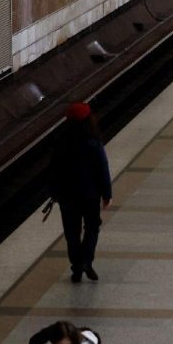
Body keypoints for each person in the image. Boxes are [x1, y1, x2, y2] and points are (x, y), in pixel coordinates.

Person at [48, 102, 113, 283]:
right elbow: (102, 169)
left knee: (72, 232)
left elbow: (53, 170)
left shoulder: (60, 142)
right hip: (90, 195)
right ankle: (86, 261)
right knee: (92, 227)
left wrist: (53, 191)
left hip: (67, 196)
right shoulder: (93, 143)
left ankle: (77, 267)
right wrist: (107, 194)